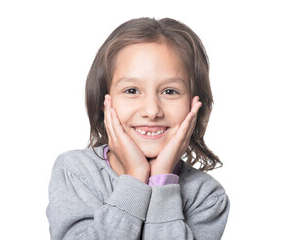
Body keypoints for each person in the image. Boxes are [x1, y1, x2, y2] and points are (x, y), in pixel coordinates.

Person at [46, 17, 230, 240]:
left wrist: (162, 181)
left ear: (194, 104)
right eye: (132, 91)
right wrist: (135, 179)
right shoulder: (76, 172)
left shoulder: (207, 197)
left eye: (170, 91)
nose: (152, 111)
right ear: (105, 101)